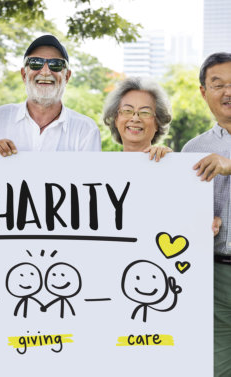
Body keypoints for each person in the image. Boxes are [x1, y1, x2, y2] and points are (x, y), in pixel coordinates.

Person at [181, 52, 231, 377]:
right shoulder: (192, 150)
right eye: (218, 85)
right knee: (215, 368)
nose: (228, 92)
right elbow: (181, 216)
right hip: (215, 276)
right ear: (204, 92)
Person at [0, 34, 101, 154]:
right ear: (24, 75)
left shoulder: (86, 129)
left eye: (56, 64)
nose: (46, 72)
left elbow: (89, 175)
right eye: (35, 63)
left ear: (67, 76)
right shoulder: (0, 117)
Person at [103, 76, 172, 161]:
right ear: (116, 119)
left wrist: (170, 160)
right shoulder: (104, 164)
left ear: (157, 122)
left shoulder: (166, 161)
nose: (135, 119)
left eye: (145, 112)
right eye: (127, 110)